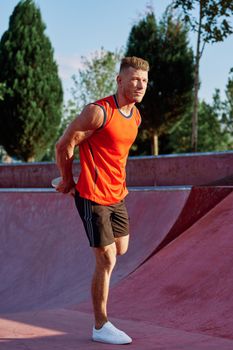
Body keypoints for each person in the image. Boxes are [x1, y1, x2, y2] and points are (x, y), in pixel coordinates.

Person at [55, 56, 149, 344]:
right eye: (134, 79)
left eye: (144, 81)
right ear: (120, 80)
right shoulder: (98, 112)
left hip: (117, 194)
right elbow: (64, 144)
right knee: (106, 260)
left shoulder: (135, 116)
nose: (140, 85)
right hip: (92, 195)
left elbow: (115, 154)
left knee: (121, 249)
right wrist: (69, 181)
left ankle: (101, 319)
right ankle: (100, 325)